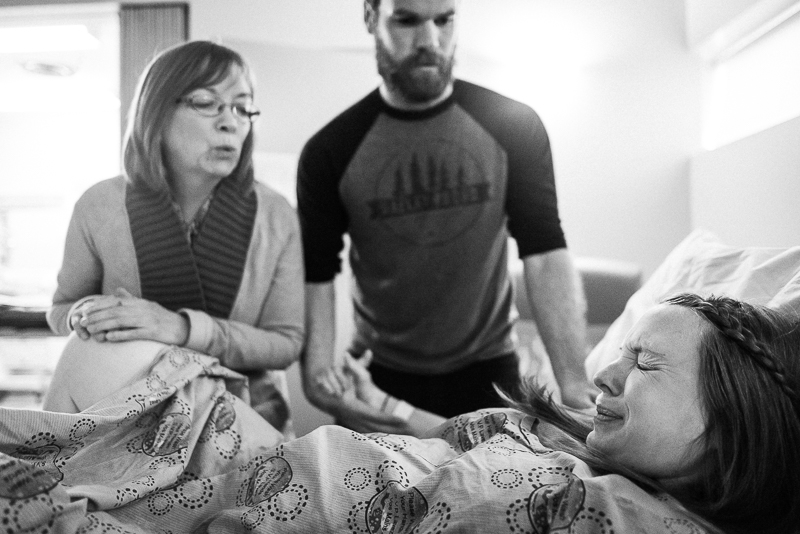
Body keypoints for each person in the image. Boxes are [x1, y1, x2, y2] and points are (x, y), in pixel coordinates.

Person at [21, 293, 798, 533]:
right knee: (110, 351)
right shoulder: (580, 448)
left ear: (736, 424)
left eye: (646, 363)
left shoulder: (627, 518)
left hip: (255, 507)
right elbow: (439, 438)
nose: (607, 373)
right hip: (272, 460)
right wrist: (378, 405)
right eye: (619, 351)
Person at [296, 0, 593, 436]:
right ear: (369, 18)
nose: (430, 41)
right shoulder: (329, 151)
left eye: (444, 19)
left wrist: (573, 381)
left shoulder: (515, 125)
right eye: (407, 20)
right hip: (381, 377)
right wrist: (318, 377)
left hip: (491, 373)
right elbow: (318, 272)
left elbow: (545, 250)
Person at [45, 40, 305, 435]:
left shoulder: (276, 214)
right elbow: (60, 309)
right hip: (130, 412)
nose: (230, 121)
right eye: (207, 102)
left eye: (242, 107)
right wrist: (87, 315)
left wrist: (181, 329)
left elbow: (286, 342)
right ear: (157, 112)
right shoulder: (99, 205)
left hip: (244, 416)